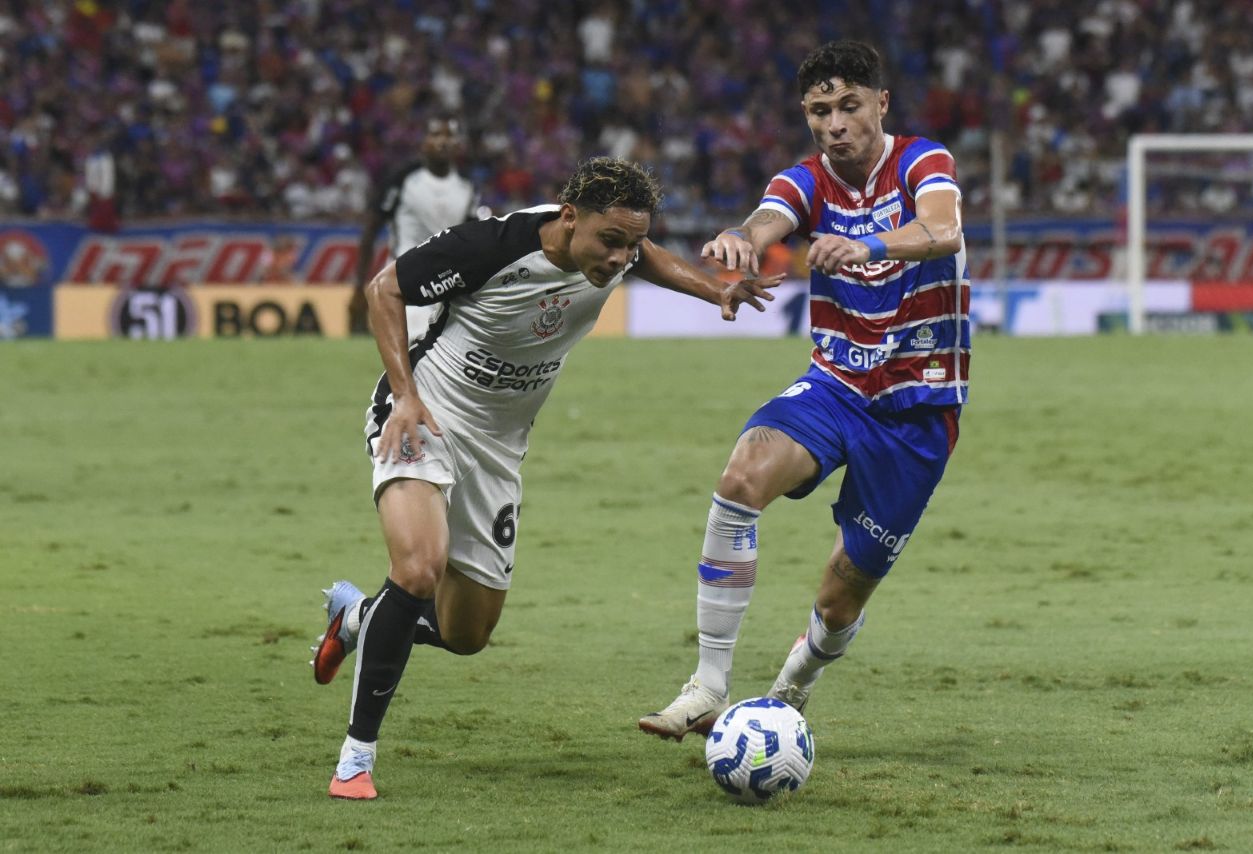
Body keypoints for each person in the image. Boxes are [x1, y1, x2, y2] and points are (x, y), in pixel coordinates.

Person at [311, 156, 781, 799]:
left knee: (467, 633)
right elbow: (383, 290)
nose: (620, 258)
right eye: (609, 241)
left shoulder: (616, 249)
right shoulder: (494, 244)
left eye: (630, 241)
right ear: (568, 219)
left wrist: (714, 289)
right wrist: (404, 396)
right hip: (426, 414)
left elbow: (647, 257)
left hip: (501, 445)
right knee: (418, 570)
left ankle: (360, 620)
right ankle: (355, 761)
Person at [638, 39, 969, 740]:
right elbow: (769, 217)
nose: (835, 124)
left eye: (849, 106)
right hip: (835, 386)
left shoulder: (921, 161)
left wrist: (870, 246)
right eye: (820, 111)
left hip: (918, 409)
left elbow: (943, 229)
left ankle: (794, 686)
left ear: (881, 104)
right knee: (740, 477)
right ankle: (706, 687)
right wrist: (741, 240)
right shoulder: (807, 179)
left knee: (842, 596)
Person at [348, 116, 485, 335]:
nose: (443, 141)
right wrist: (359, 286)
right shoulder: (403, 178)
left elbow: (473, 243)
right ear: (423, 142)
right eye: (436, 135)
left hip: (448, 285)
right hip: (403, 280)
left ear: (459, 144)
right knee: (416, 355)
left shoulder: (468, 186)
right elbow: (371, 230)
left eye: (450, 136)